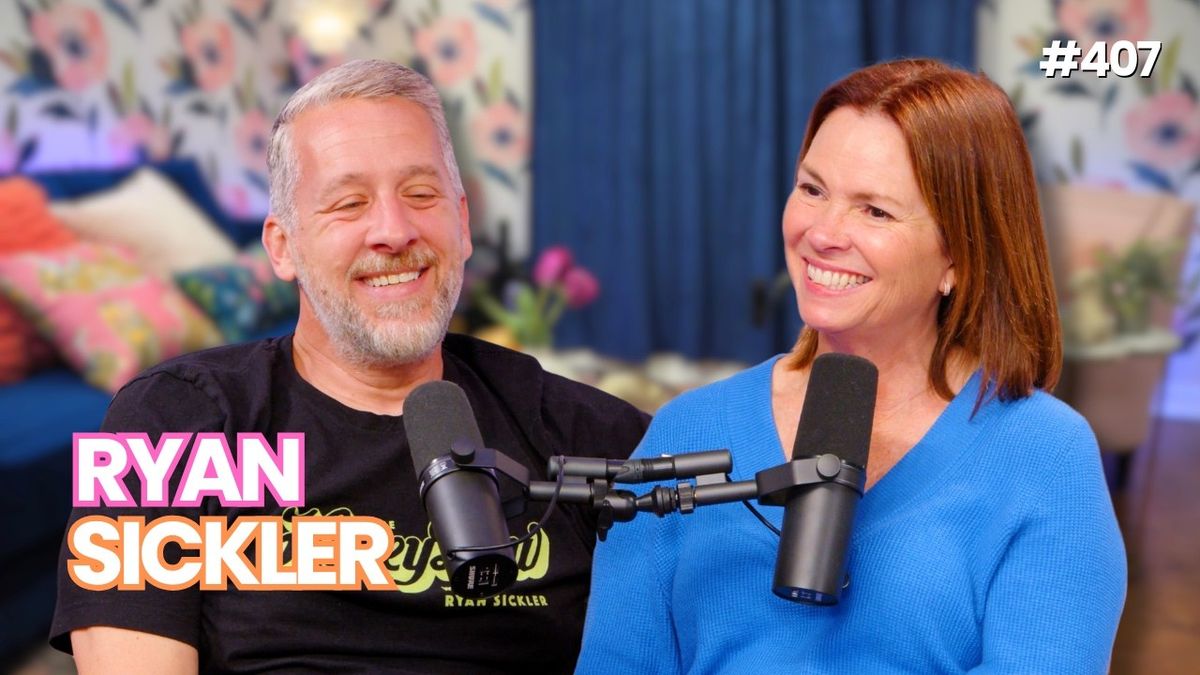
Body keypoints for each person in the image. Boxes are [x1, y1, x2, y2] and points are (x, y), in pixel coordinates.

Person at [51, 59, 649, 673]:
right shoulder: (171, 424)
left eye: (421, 194)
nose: (393, 230)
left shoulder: (589, 434)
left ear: (463, 223)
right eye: (348, 203)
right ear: (283, 247)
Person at [577, 58, 1126, 673]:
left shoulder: (1044, 456)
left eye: (875, 211)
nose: (823, 233)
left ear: (959, 256)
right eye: (812, 189)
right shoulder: (689, 430)